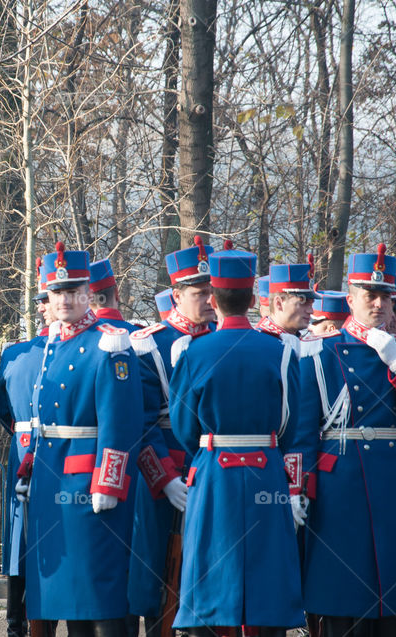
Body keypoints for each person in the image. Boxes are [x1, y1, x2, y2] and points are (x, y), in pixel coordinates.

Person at [298, 244, 396, 637]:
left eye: (386, 297)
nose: (379, 304)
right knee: (345, 598)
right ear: (351, 299)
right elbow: (301, 430)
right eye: (370, 295)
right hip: (340, 484)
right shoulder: (318, 351)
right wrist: (299, 487)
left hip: (395, 481)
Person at [169, 244, 304, 637]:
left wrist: (213, 441)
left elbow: (183, 426)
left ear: (213, 298)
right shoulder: (279, 351)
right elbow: (290, 424)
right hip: (267, 469)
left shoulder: (195, 352)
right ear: (251, 298)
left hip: (214, 472)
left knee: (212, 569)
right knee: (268, 573)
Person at [19, 241, 142, 637]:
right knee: (67, 595)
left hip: (89, 482)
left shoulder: (110, 343)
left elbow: (121, 422)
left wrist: (109, 480)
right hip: (51, 480)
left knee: (98, 587)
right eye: (57, 292)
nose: (65, 299)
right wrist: (28, 469)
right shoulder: (51, 342)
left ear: (89, 292)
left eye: (73, 291)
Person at [126, 238, 215, 634]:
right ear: (176, 295)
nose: (210, 299)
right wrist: (164, 478)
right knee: (160, 576)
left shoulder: (221, 338)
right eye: (200, 293)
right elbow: (141, 423)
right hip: (169, 473)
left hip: (216, 469)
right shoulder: (149, 344)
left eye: (214, 291)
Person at [0, 259, 53, 637]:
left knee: (20, 539)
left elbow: (4, 412)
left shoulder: (15, 354)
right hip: (60, 453)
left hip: (24, 446)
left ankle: (16, 620)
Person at [256, 256, 317, 342]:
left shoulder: (298, 341)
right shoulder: (261, 341)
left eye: (311, 303)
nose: (311, 311)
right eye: (303, 302)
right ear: (279, 303)